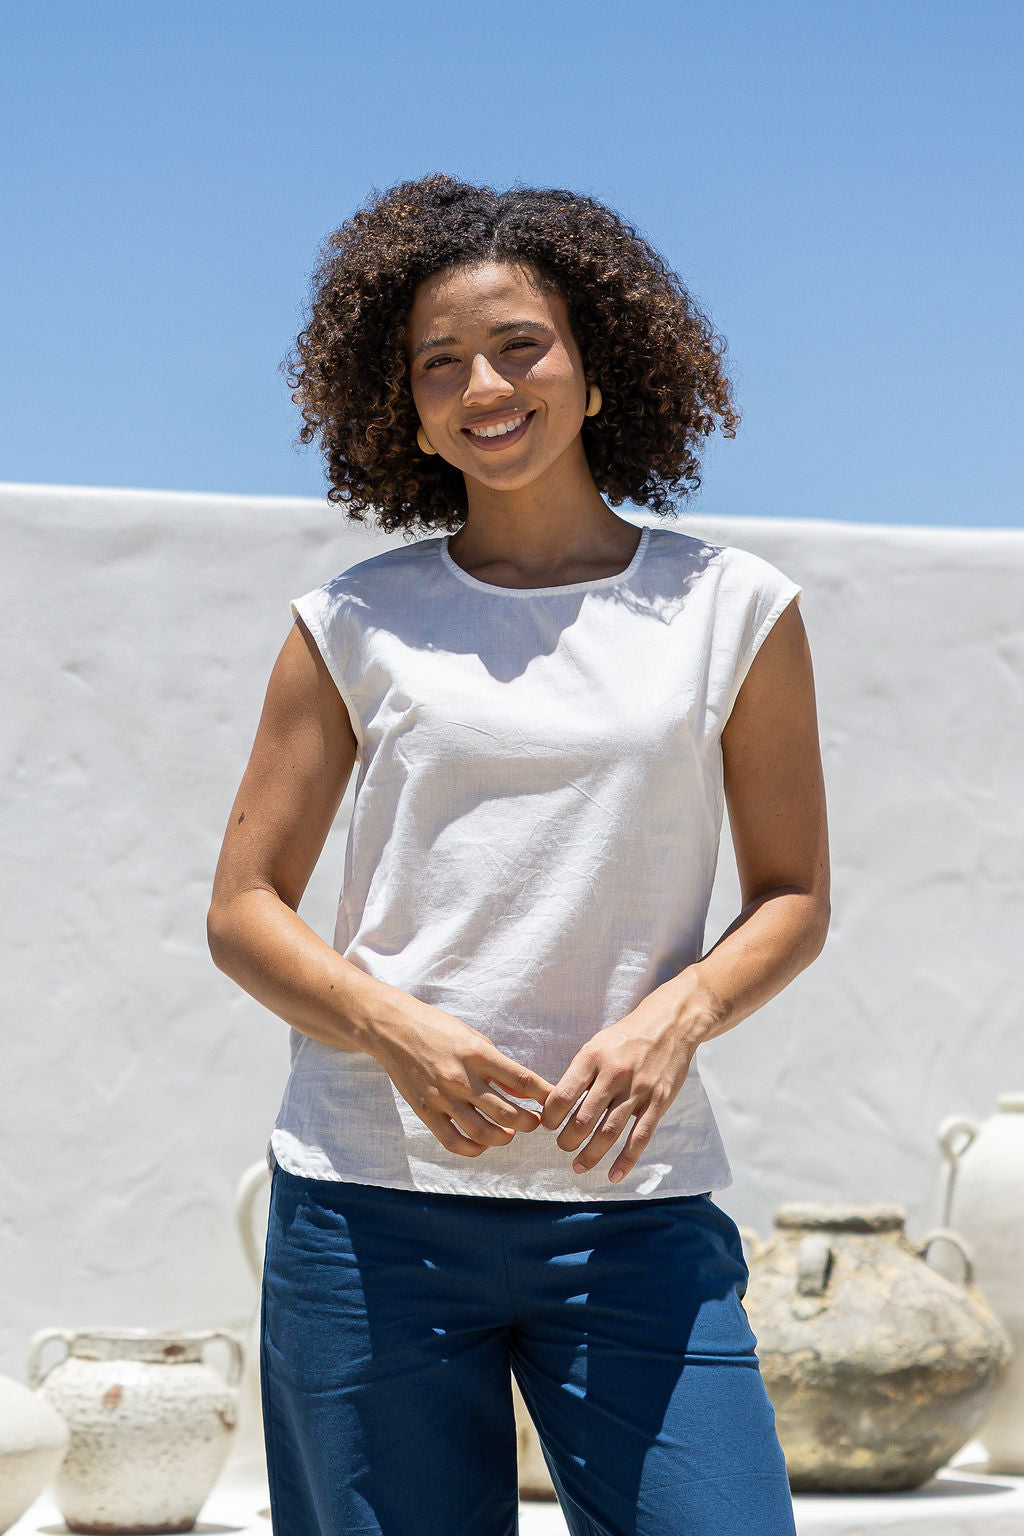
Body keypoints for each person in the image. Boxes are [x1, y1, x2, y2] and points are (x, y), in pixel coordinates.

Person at [208, 174, 829, 1536]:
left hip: (633, 1214)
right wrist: (393, 1031)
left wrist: (680, 1016)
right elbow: (245, 909)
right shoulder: (354, 621)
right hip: (368, 1212)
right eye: (439, 363)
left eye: (518, 346)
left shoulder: (733, 610)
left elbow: (791, 894)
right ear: (405, 405)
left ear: (602, 371)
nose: (481, 384)